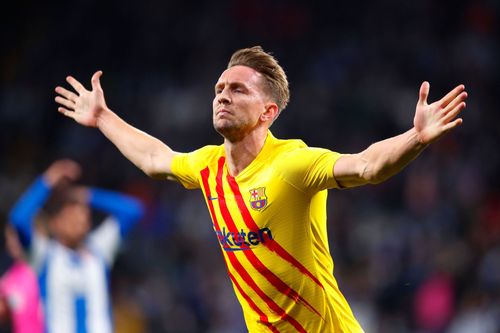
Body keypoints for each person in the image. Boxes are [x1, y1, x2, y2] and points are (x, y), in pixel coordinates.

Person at [54, 46, 467, 332]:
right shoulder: (208, 165)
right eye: (219, 89)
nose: (222, 97)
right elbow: (154, 158)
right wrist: (103, 117)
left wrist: (416, 138)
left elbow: (367, 165)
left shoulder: (292, 163)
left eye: (237, 90)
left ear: (268, 111)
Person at [8, 159, 145, 333]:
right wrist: (47, 181)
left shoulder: (100, 249)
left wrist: (86, 195)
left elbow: (133, 210)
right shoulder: (43, 254)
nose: (80, 221)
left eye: (83, 216)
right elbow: (18, 220)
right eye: (71, 216)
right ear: (55, 222)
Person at [0, 225, 44, 333]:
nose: (12, 242)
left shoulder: (36, 267)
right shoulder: (5, 278)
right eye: (9, 237)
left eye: (16, 236)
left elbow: (20, 218)